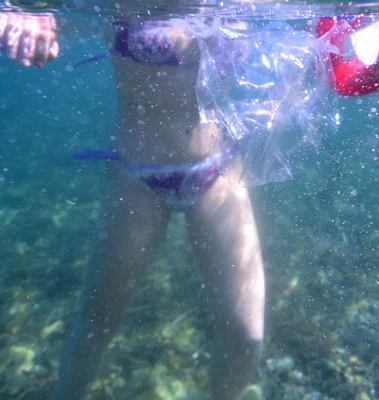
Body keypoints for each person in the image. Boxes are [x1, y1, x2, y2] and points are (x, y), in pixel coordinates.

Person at [1, 9, 265, 400]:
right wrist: (15, 15)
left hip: (218, 170)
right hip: (137, 176)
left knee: (247, 337)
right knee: (96, 323)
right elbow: (53, 13)